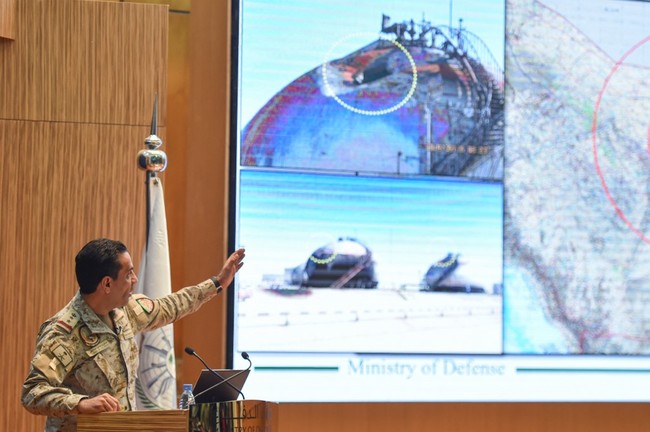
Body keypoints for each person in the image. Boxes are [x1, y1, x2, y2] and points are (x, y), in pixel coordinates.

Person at [21, 238, 245, 432]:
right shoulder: (63, 333)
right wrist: (80, 404)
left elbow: (172, 305)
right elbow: (33, 393)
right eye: (128, 274)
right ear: (107, 283)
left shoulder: (125, 311)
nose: (135, 279)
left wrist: (217, 283)